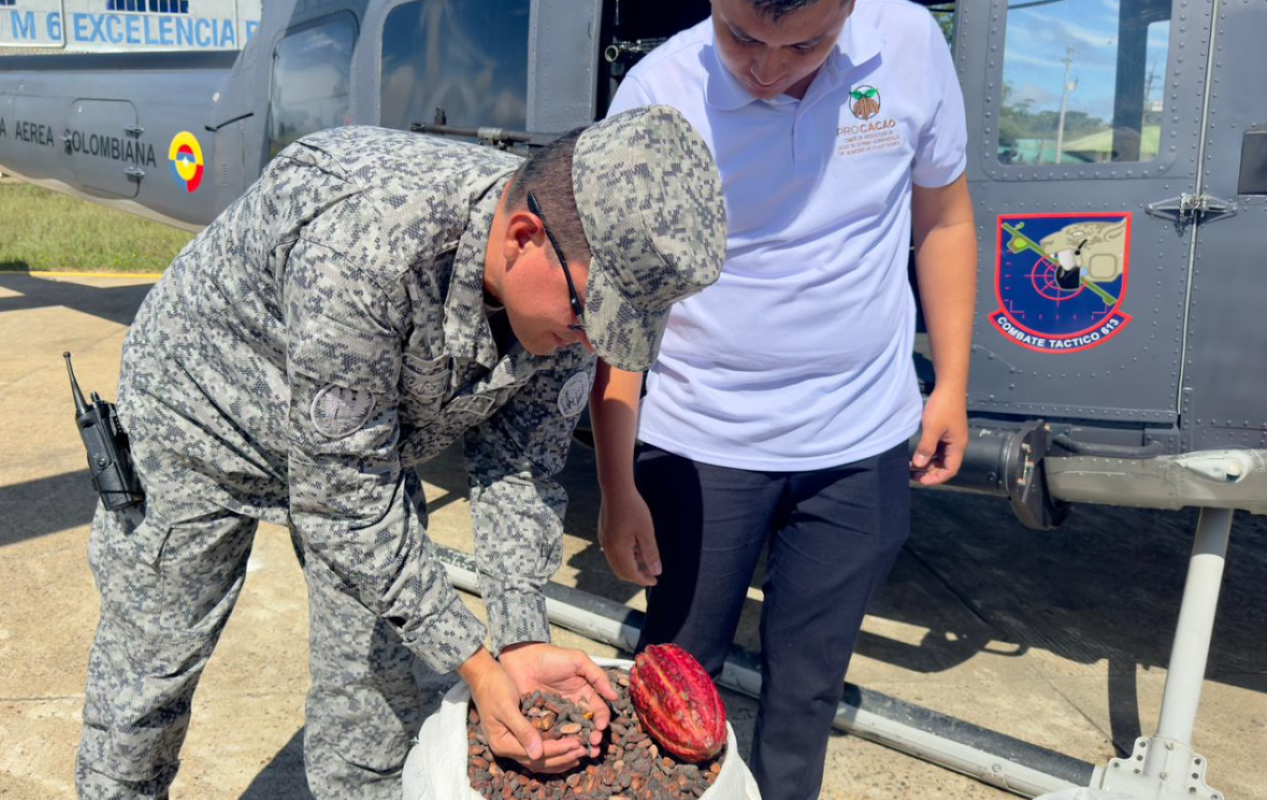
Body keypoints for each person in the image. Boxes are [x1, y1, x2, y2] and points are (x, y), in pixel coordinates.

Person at [76, 105, 727, 799]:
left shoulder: (574, 285)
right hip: (203, 424)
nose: (595, 344)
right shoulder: (368, 243)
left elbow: (522, 465)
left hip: (360, 445)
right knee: (147, 684)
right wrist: (474, 664)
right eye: (588, 319)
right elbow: (344, 500)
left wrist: (518, 637)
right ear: (523, 237)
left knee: (378, 700)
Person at [591, 1, 977, 798]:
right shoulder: (656, 91)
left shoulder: (908, 44)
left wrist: (952, 384)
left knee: (807, 689)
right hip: (702, 443)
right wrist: (617, 482)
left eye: (805, 43)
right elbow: (624, 302)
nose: (767, 69)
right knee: (675, 682)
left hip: (861, 440)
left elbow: (943, 217)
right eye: (741, 37)